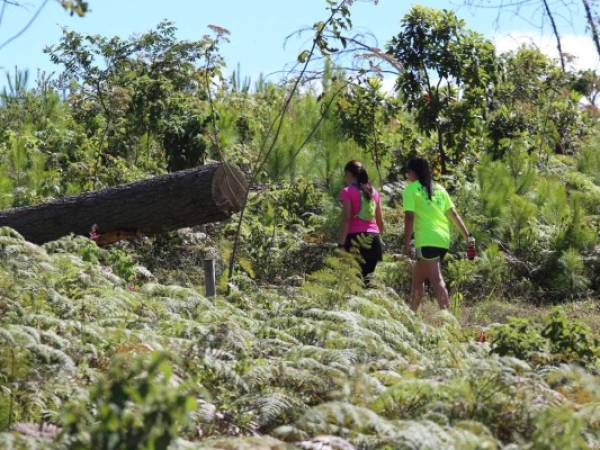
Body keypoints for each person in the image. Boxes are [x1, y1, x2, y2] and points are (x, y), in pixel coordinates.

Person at [402, 156, 474, 311]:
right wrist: (468, 236)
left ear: (413, 172)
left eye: (408, 172)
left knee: (436, 279)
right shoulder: (440, 189)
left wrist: (406, 244)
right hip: (442, 240)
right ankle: (411, 317)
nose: (407, 175)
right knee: (417, 279)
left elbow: (409, 218)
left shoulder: (410, 190)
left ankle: (448, 320)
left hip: (427, 240)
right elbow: (453, 214)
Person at [338, 160, 385, 282]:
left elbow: (346, 219)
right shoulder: (374, 192)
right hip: (374, 240)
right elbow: (380, 220)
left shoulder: (347, 191)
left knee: (352, 282)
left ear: (349, 173)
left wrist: (341, 244)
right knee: (366, 283)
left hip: (355, 239)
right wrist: (380, 239)